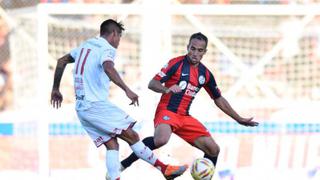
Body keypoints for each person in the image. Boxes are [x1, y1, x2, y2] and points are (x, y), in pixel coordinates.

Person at [50, 19, 188, 180]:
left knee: (112, 145)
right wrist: (127, 89)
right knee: (132, 136)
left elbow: (61, 61)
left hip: (82, 108)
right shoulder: (107, 48)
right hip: (96, 106)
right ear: (114, 34)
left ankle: (114, 177)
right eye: (119, 37)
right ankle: (164, 169)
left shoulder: (85, 46)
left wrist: (55, 89)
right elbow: (108, 67)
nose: (118, 42)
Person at [118, 32, 259, 173]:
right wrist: (166, 89)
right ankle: (124, 164)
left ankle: (204, 175)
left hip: (184, 117)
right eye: (193, 48)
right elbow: (152, 83)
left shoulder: (206, 74)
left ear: (205, 52)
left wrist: (238, 119)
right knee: (161, 139)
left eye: (199, 50)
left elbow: (218, 98)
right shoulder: (176, 63)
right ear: (188, 47)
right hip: (167, 111)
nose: (195, 53)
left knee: (213, 149)